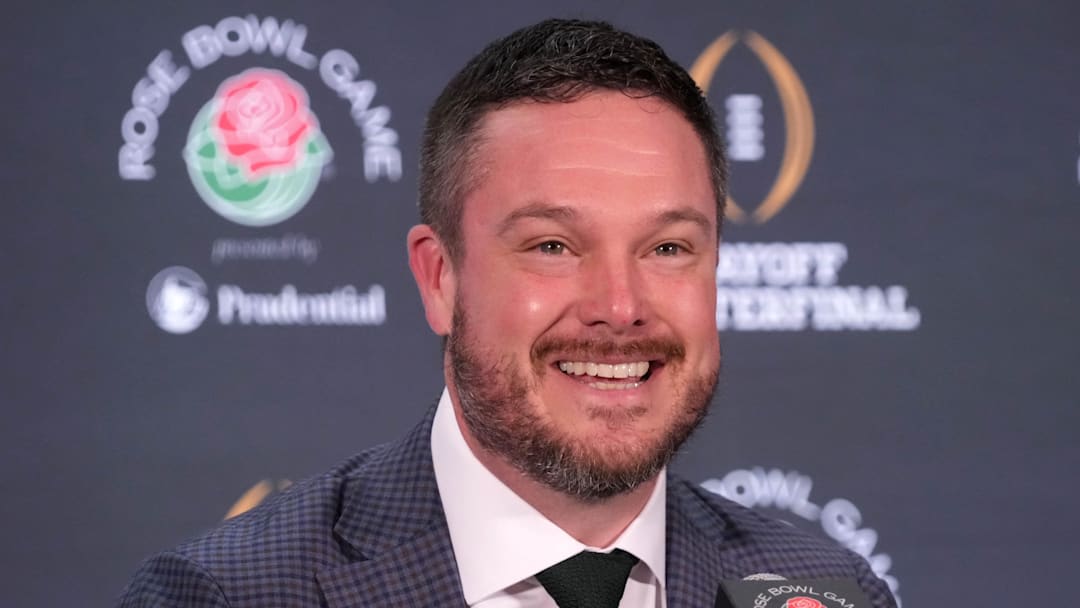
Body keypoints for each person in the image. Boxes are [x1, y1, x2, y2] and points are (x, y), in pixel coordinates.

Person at [118, 19, 897, 608]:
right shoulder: (229, 595)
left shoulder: (825, 590)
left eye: (668, 248)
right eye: (554, 246)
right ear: (439, 277)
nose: (619, 308)